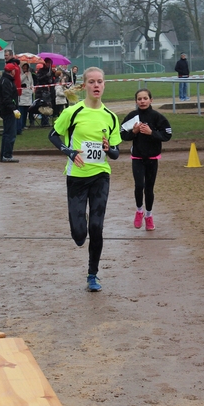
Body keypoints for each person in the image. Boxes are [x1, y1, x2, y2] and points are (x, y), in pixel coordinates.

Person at [48, 67, 122, 292]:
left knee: (96, 228)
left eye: (100, 81)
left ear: (104, 85)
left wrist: (109, 150)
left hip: (101, 176)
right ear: (85, 85)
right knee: (80, 235)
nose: (96, 85)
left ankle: (93, 274)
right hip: (77, 177)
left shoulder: (110, 116)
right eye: (91, 82)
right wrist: (69, 152)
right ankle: (81, 219)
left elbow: (116, 152)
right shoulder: (73, 112)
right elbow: (53, 135)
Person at [120, 88, 172, 231]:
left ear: (151, 100)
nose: (142, 101)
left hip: (152, 158)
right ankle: (139, 211)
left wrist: (151, 133)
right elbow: (122, 134)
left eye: (145, 98)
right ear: (136, 101)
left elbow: (167, 134)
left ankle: (149, 215)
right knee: (139, 185)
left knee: (149, 188)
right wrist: (134, 132)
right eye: (139, 99)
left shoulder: (157, 117)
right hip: (137, 157)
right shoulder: (132, 116)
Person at [0, 62, 19, 162]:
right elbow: (7, 98)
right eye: (14, 70)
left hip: (7, 110)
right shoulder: (6, 82)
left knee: (7, 133)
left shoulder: (5, 80)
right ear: (11, 71)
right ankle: (7, 155)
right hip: (8, 111)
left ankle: (4, 155)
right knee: (10, 134)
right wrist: (13, 108)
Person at [18, 62, 34, 131]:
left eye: (26, 67)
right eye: (23, 67)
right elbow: (19, 81)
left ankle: (24, 124)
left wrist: (32, 89)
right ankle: (20, 125)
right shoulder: (19, 74)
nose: (25, 68)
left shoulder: (29, 73)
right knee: (21, 111)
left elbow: (31, 82)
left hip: (28, 94)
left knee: (26, 111)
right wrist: (24, 75)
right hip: (22, 94)